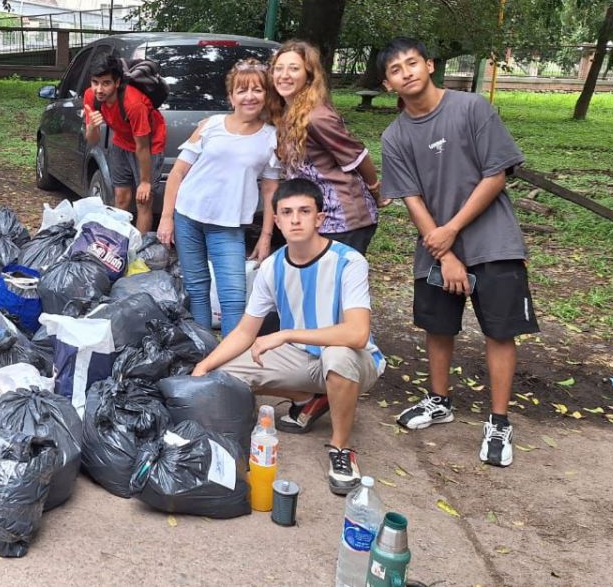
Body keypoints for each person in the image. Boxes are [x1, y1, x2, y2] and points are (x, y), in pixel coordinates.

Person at [378, 37, 538, 468]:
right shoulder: (394, 136)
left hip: (492, 241)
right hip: (435, 246)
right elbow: (410, 197)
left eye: (412, 63)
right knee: (438, 326)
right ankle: (438, 400)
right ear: (388, 83)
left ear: (429, 65)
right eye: (396, 69)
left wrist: (453, 229)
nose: (406, 72)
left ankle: (499, 420)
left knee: (500, 331)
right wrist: (444, 251)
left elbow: (496, 174)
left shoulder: (471, 109)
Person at [192, 179, 385, 495]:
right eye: (287, 212)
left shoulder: (349, 261)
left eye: (305, 211)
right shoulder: (271, 267)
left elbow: (357, 333)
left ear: (319, 218)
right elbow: (244, 331)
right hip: (302, 359)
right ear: (277, 220)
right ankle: (307, 399)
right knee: (223, 374)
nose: (295, 220)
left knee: (337, 355)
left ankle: (341, 449)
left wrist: (286, 334)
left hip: (355, 361)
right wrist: (204, 366)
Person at [157, 58, 280, 335]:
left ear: (266, 95)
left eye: (257, 90)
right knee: (197, 288)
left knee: (234, 296)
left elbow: (271, 190)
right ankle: (202, 353)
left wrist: (266, 236)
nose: (249, 96)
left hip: (229, 225)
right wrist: (167, 218)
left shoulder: (271, 138)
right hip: (188, 215)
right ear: (231, 96)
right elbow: (177, 174)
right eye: (242, 90)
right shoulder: (211, 125)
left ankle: (229, 363)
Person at [268, 40, 382, 254]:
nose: (284, 75)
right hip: (314, 217)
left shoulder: (316, 116)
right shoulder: (286, 112)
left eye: (294, 68)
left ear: (309, 76)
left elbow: (358, 156)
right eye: (279, 68)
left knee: (334, 285)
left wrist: (376, 190)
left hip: (343, 221)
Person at [84, 55, 167, 233]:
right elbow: (93, 140)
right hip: (121, 141)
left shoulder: (133, 103)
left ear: (117, 82)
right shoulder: (91, 97)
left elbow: (142, 146)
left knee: (143, 200)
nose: (99, 89)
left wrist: (145, 182)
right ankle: (117, 243)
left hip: (149, 145)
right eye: (95, 82)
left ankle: (139, 251)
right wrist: (92, 126)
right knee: (121, 197)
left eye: (106, 83)